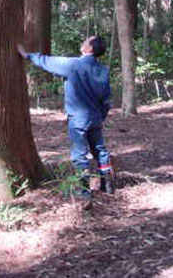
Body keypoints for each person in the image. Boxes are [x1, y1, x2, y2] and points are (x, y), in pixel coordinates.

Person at [17, 35, 114, 197]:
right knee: (100, 151)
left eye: (86, 41)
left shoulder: (74, 65)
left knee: (79, 154)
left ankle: (84, 191)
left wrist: (27, 55)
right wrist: (100, 116)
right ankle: (108, 185)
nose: (82, 42)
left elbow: (49, 62)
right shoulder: (102, 71)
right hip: (95, 118)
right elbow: (106, 100)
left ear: (90, 48)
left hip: (78, 118)